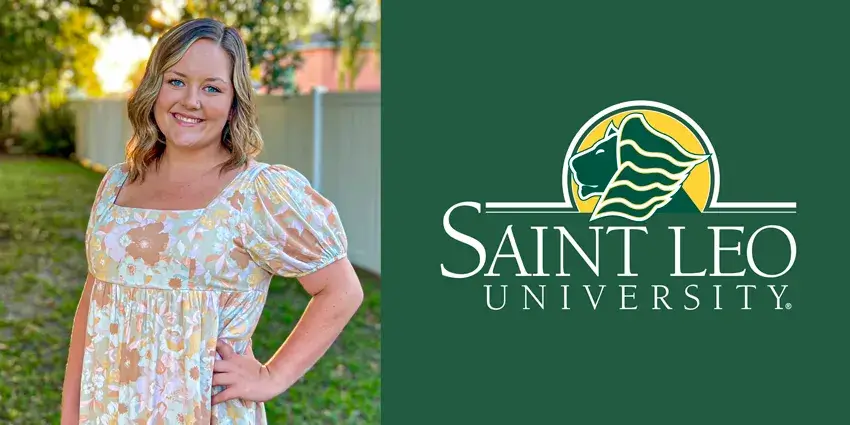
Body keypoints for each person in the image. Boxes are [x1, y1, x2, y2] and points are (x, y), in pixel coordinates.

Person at [60, 17, 364, 424]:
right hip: (109, 410)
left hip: (201, 411)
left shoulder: (258, 193)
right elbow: (93, 306)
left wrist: (271, 377)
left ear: (234, 102)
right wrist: (71, 413)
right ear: (154, 87)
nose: (191, 101)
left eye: (212, 88)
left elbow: (341, 289)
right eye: (176, 81)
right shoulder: (118, 183)